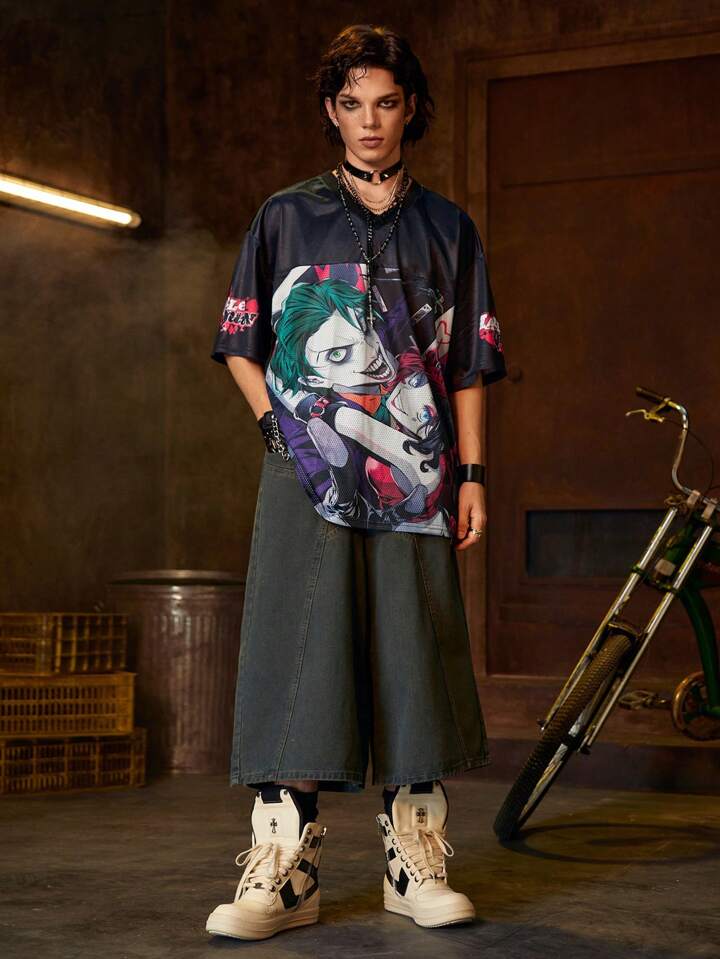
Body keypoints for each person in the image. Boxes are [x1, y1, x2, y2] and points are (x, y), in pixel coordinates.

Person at [205, 22, 506, 942]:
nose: (369, 121)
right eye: (351, 104)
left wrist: (472, 473)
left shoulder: (449, 226)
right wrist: (279, 429)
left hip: (418, 471)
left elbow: (467, 364)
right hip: (306, 468)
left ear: (410, 109)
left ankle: (413, 858)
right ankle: (285, 865)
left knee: (413, 644)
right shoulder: (285, 215)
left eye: (385, 103)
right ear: (331, 112)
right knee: (298, 643)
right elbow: (240, 341)